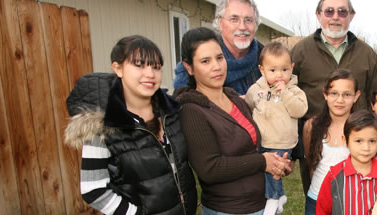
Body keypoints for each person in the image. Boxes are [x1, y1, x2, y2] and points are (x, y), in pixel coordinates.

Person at [65, 35, 197, 214]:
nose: (150, 74)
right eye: (139, 65)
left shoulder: (170, 113)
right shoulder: (103, 124)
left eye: (156, 67)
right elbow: (93, 189)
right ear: (118, 68)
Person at [173, 27, 291, 215]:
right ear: (189, 67)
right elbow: (210, 169)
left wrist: (277, 165)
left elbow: (252, 149)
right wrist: (262, 162)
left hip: (259, 205)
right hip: (228, 209)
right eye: (205, 61)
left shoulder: (235, 99)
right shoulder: (191, 110)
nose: (216, 66)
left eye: (219, 58)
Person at [292, 0, 377, 197]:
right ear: (318, 15)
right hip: (315, 141)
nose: (335, 17)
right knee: (317, 195)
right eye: (329, 11)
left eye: (342, 12)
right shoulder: (300, 51)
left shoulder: (367, 54)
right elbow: (289, 96)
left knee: (356, 199)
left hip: (358, 141)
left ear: (351, 16)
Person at [244, 41, 308, 215]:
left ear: (292, 68)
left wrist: (285, 93)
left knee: (275, 169)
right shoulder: (256, 90)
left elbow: (300, 110)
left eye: (285, 70)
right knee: (263, 170)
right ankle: (278, 195)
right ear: (262, 70)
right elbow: (246, 106)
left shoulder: (294, 91)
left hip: (282, 141)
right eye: (273, 70)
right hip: (261, 140)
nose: (279, 75)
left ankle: (273, 198)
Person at [173, 0, 263, 96]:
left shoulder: (267, 57)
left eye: (248, 20)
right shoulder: (197, 61)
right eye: (234, 19)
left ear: (256, 24)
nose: (242, 27)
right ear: (220, 22)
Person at [302, 69, 359, 214]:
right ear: (325, 94)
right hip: (316, 200)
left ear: (356, 96)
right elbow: (311, 163)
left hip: (349, 201)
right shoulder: (311, 126)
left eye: (346, 94)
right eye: (334, 93)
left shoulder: (361, 129)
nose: (340, 100)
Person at [316, 110, 377, 215]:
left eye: (372, 141)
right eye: (359, 141)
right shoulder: (334, 177)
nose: (366, 148)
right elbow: (322, 211)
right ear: (345, 140)